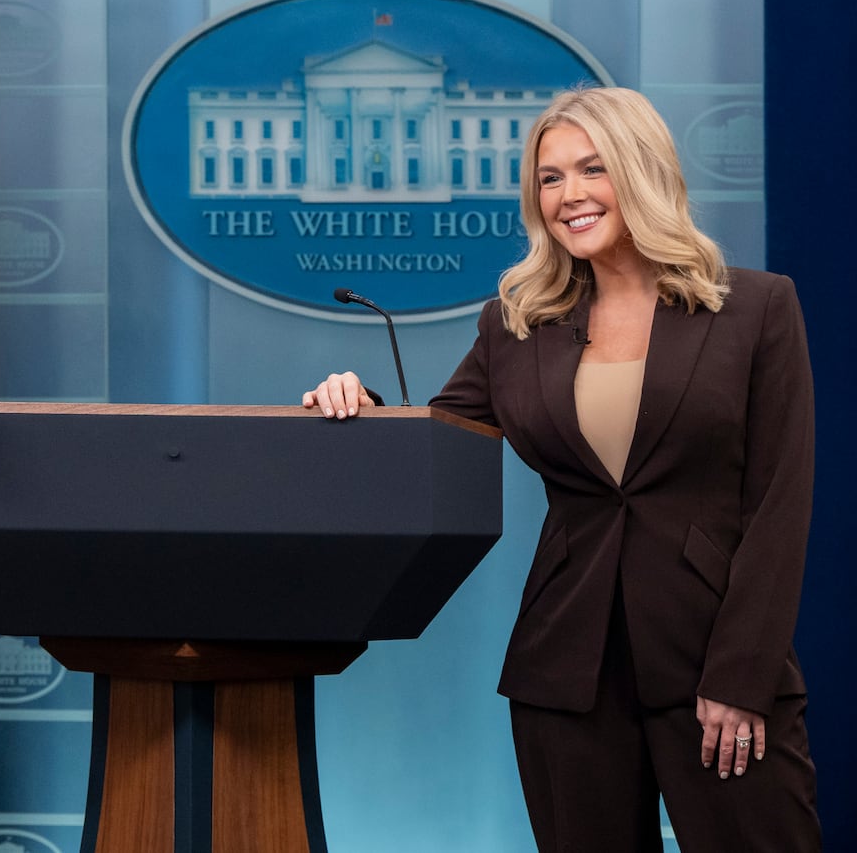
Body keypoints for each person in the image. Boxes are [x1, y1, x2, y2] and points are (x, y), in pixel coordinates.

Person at [304, 87, 820, 852]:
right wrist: (358, 400)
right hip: (565, 672)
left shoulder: (755, 309)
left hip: (717, 666)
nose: (569, 195)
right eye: (549, 178)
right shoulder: (516, 323)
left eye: (592, 169)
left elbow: (780, 504)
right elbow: (439, 443)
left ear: (642, 171)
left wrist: (740, 677)